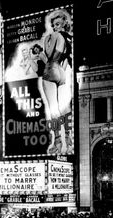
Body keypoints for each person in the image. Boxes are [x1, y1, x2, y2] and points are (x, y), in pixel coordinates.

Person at [41, 8, 73, 155]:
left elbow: (49, 57)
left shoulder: (53, 37)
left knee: (53, 109)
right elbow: (64, 61)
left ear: (63, 24)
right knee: (64, 107)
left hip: (50, 70)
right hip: (61, 72)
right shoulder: (68, 39)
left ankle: (58, 141)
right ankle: (68, 137)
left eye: (58, 24)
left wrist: (43, 55)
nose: (55, 27)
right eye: (54, 24)